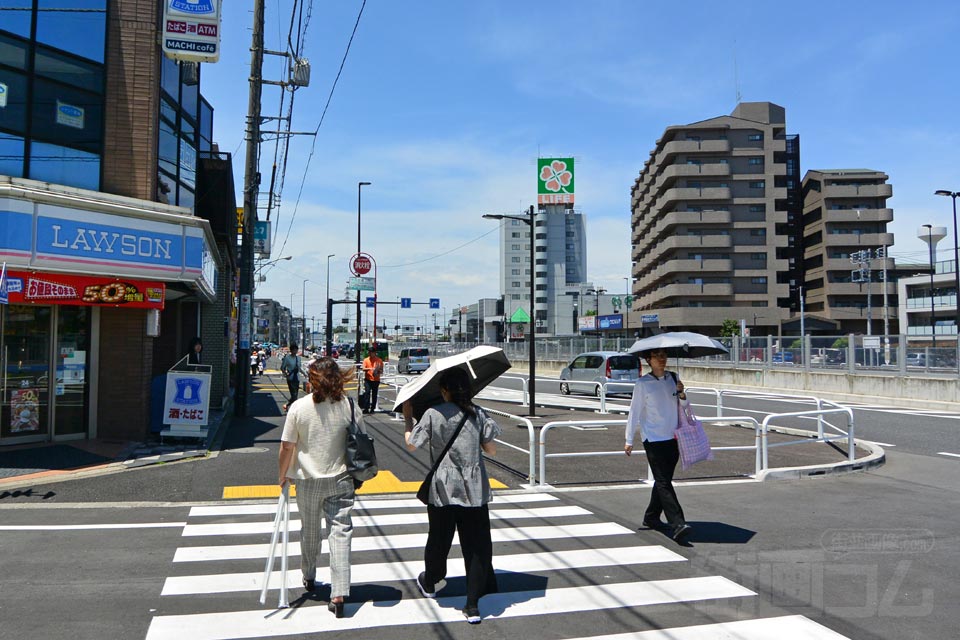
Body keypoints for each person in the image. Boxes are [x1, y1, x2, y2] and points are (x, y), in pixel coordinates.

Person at [403, 368, 501, 624]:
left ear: (444, 391)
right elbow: (491, 450)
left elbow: (412, 444)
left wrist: (407, 420)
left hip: (442, 488)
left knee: (439, 538)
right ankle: (472, 604)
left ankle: (433, 579)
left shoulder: (433, 414)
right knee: (477, 545)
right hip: (475, 489)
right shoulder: (477, 414)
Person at [277, 357, 360, 618]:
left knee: (310, 530)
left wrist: (282, 475)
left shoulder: (299, 408)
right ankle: (339, 593)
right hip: (342, 478)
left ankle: (309, 575)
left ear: (312, 379)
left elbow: (287, 446)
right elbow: (359, 440)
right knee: (340, 534)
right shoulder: (348, 405)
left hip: (308, 479)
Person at [624, 348, 692, 542]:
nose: (662, 360)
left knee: (664, 481)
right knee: (663, 481)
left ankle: (651, 517)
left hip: (674, 437)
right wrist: (629, 440)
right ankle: (678, 523)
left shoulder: (673, 377)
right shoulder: (643, 383)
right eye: (657, 357)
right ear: (648, 360)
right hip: (653, 439)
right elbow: (634, 412)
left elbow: (684, 407)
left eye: (664, 356)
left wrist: (682, 394)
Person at [361, 345, 384, 414]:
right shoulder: (366, 360)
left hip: (376, 380)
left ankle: (372, 408)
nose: (370, 354)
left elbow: (381, 370)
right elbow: (363, 368)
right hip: (368, 379)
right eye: (369, 352)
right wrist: (369, 369)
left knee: (374, 394)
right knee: (367, 392)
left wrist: (378, 371)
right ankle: (366, 408)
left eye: (372, 352)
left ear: (375, 353)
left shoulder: (379, 360)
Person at [280, 342, 301, 412]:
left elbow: (299, 368)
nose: (295, 351)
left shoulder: (299, 358)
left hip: (297, 378)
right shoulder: (287, 358)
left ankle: (287, 405)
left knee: (295, 395)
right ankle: (294, 409)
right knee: (294, 395)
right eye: (294, 350)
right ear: (291, 350)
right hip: (290, 378)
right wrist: (286, 374)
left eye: (296, 350)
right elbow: (282, 367)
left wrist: (305, 374)